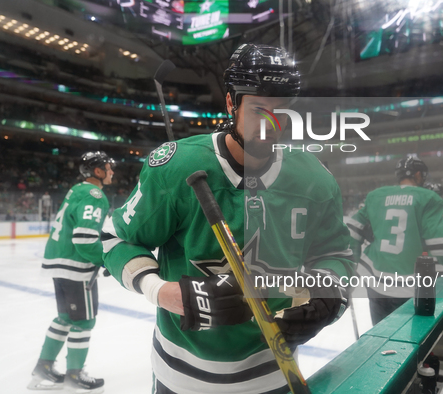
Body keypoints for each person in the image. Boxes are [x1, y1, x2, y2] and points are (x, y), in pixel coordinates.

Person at [101, 43, 354, 394]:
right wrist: (160, 291)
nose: (271, 125)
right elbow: (116, 239)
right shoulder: (177, 168)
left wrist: (329, 296)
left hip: (274, 374)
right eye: (260, 110)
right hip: (180, 377)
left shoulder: (315, 179)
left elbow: (337, 254)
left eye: (282, 112)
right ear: (231, 103)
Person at [28, 151, 114, 393]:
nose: (112, 172)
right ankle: (74, 374)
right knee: (84, 320)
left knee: (65, 317)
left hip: (59, 261)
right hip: (76, 266)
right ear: (98, 171)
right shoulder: (94, 195)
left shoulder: (76, 190)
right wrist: (106, 260)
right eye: (109, 167)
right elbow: (85, 240)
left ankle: (43, 366)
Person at [346, 156, 443, 325]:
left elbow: (351, 232)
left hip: (374, 281)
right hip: (408, 286)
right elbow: (441, 249)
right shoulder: (429, 198)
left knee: (380, 335)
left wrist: (351, 267)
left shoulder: (376, 195)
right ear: (418, 174)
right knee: (405, 343)